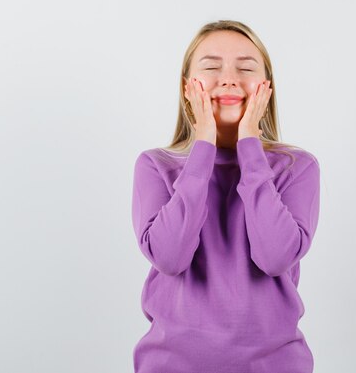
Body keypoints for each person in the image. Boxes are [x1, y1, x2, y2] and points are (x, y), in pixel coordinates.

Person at [130, 20, 321, 373]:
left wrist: (251, 145)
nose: (229, 79)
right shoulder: (155, 166)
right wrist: (203, 147)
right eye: (212, 67)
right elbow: (170, 258)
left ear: (267, 88)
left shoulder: (297, 167)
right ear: (188, 87)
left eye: (245, 68)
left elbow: (275, 257)